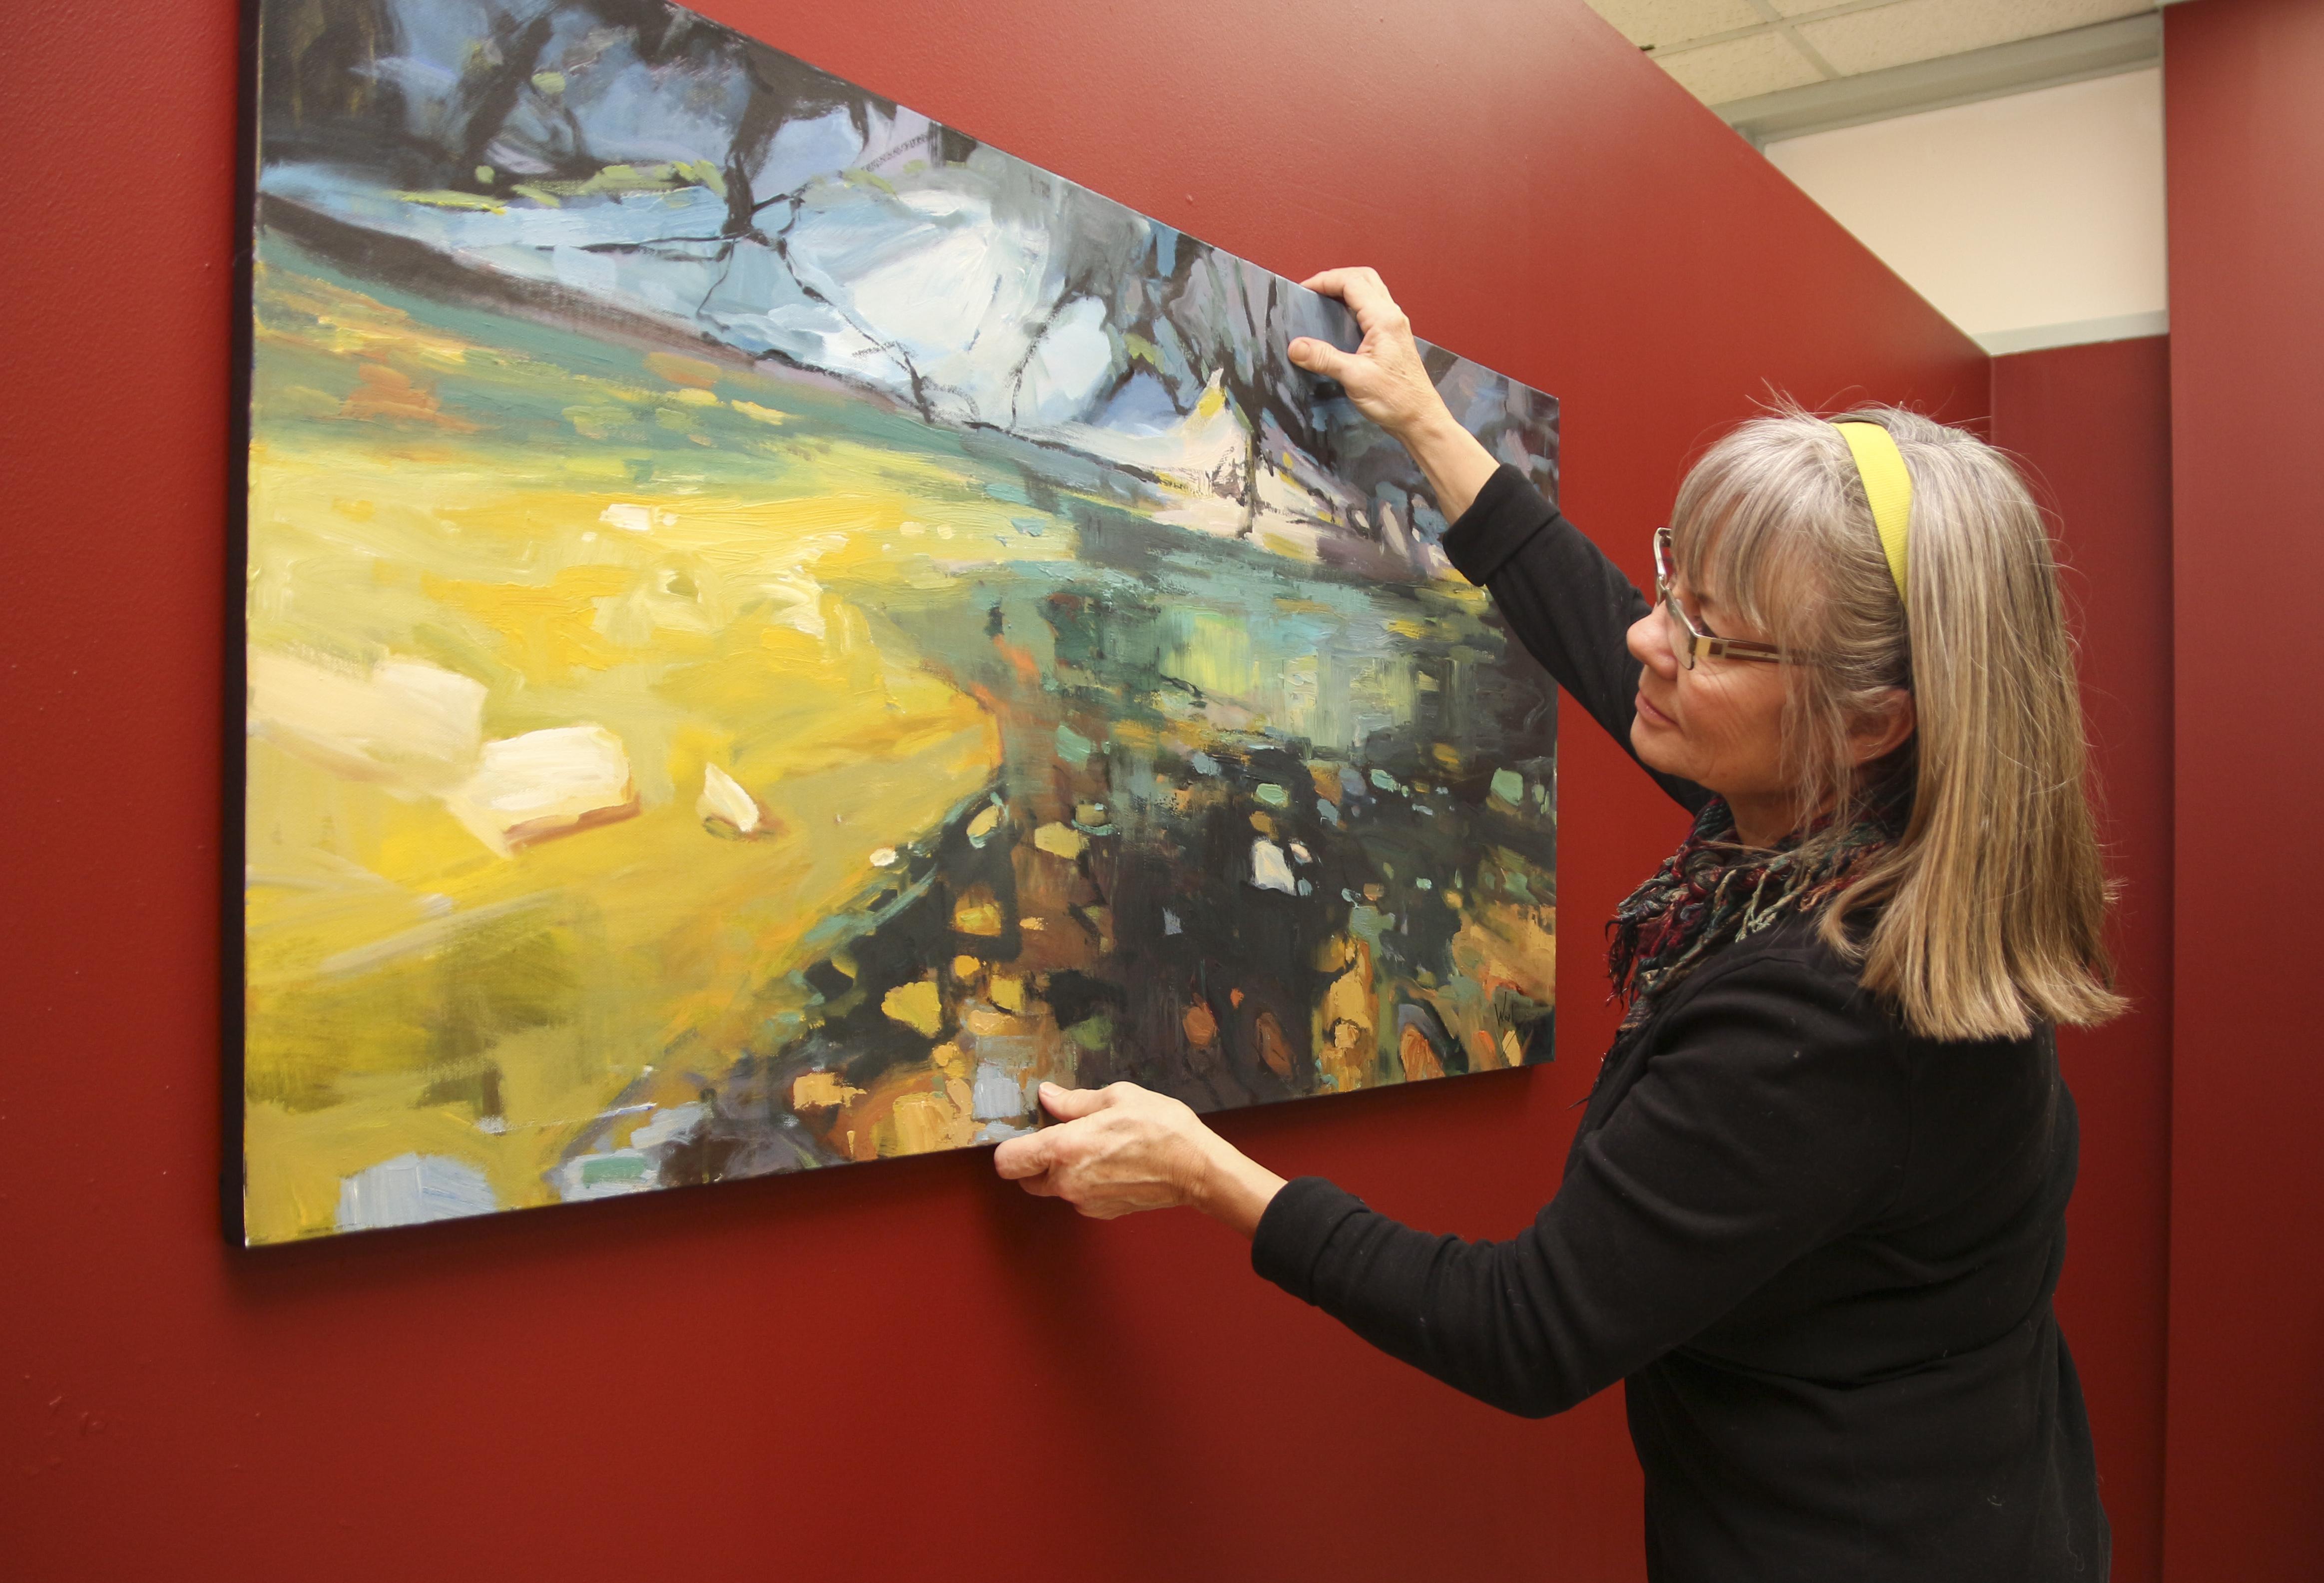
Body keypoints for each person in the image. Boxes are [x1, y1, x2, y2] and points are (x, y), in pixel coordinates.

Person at [992, 268, 2119, 1581]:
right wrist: (1425, 422)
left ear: (1872, 719)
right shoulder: (1866, 833)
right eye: (1670, 586)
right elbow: (1603, 637)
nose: (1654, 636)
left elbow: (1524, 1328)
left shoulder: (1826, 1017)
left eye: (1709, 636)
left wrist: (1207, 1171)